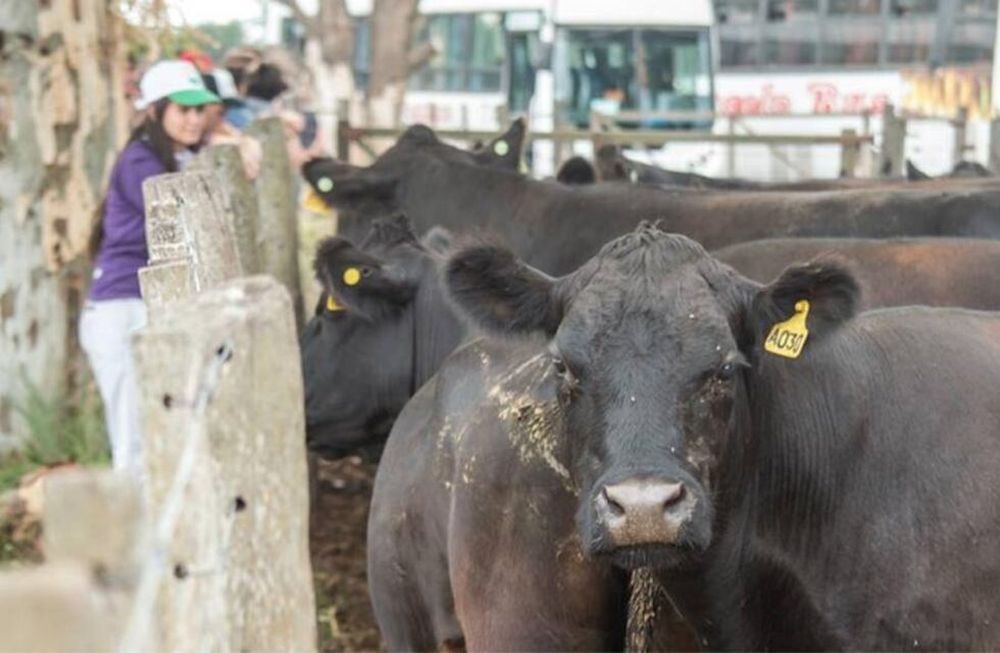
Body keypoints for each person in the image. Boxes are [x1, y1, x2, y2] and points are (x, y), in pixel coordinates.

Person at [81, 60, 219, 477]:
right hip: (120, 309)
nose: (195, 119)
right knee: (134, 445)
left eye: (200, 110)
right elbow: (178, 210)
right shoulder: (141, 161)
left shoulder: (173, 157)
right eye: (183, 109)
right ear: (155, 111)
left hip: (149, 307)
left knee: (166, 436)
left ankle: (159, 540)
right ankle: (138, 543)